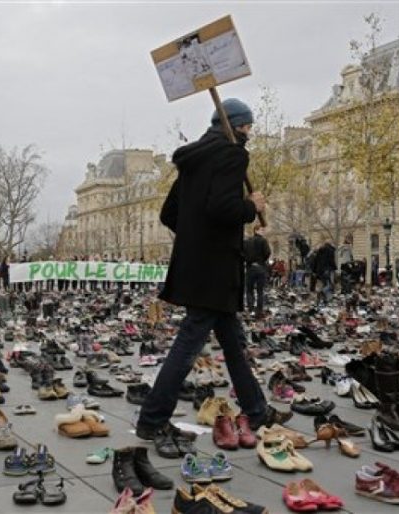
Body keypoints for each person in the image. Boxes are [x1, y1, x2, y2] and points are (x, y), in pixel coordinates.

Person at [135, 98, 291, 458]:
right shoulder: (233, 155)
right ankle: (153, 417)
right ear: (237, 125)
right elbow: (223, 208)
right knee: (189, 341)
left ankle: (256, 411)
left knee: (232, 340)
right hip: (217, 269)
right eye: (249, 127)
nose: (250, 134)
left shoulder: (192, 159)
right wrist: (253, 207)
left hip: (195, 265)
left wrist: (196, 238)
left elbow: (169, 212)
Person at [243, 225, 270, 318]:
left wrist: (248, 261)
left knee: (249, 290)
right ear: (256, 230)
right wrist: (261, 260)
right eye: (262, 230)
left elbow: (243, 253)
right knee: (260, 291)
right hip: (260, 267)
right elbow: (267, 252)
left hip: (250, 267)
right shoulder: (263, 241)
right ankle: (259, 310)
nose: (264, 231)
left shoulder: (247, 241)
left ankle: (251, 309)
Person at [313, 238, 336, 304]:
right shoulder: (330, 250)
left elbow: (315, 261)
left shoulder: (319, 250)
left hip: (319, 270)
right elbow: (331, 261)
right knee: (329, 285)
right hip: (327, 269)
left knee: (322, 284)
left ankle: (320, 299)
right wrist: (334, 268)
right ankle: (325, 295)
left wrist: (314, 270)